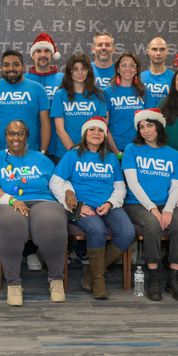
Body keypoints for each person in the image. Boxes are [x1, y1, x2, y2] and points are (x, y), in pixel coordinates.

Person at [0, 120, 67, 306]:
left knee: (52, 222)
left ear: (27, 136)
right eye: (11, 133)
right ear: (5, 136)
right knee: (11, 224)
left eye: (20, 133)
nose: (15, 137)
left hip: (42, 199)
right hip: (7, 202)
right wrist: (9, 199)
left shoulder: (40, 158)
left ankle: (56, 280)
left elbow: (58, 182)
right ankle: (13, 284)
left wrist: (68, 195)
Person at [49, 117, 133, 300]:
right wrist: (76, 206)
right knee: (97, 230)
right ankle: (98, 279)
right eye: (92, 129)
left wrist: (110, 203)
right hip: (81, 206)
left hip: (108, 205)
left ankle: (90, 273)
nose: (96, 133)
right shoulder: (73, 154)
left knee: (127, 232)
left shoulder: (111, 158)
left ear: (105, 135)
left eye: (100, 130)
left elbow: (120, 187)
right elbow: (55, 183)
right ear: (85, 134)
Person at [121, 108, 178, 302]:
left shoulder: (173, 154)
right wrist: (152, 208)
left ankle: (173, 279)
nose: (146, 130)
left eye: (150, 125)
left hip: (165, 203)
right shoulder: (131, 149)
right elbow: (133, 184)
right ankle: (154, 277)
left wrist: (167, 210)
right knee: (152, 224)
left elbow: (176, 187)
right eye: (141, 127)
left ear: (159, 126)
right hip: (137, 204)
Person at [0, 50, 50, 160]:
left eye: (16, 64)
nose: (11, 68)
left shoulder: (37, 89)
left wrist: (43, 152)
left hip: (30, 154)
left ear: (23, 67)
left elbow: (45, 122)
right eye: (6, 65)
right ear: (1, 67)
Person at [51, 54, 106, 159]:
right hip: (65, 154)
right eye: (75, 69)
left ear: (88, 72)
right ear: (69, 72)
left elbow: (101, 127)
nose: (80, 73)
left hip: (92, 153)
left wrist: (89, 152)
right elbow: (60, 130)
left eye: (83, 69)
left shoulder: (99, 95)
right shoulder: (60, 95)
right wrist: (75, 153)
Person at [103, 52, 154, 155]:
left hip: (139, 149)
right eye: (123, 65)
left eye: (132, 65)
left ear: (136, 70)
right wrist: (117, 153)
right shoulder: (108, 92)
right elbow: (104, 125)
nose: (128, 69)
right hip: (113, 149)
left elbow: (152, 123)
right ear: (117, 69)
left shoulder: (144, 92)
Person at [25, 33, 64, 157]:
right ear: (32, 55)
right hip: (28, 145)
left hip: (59, 145)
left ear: (52, 55)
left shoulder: (64, 79)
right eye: (38, 51)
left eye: (47, 51)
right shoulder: (23, 80)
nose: (43, 55)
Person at [140, 37, 173, 104]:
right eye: (154, 49)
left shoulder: (175, 78)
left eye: (162, 49)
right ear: (148, 52)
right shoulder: (139, 78)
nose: (158, 53)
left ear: (167, 52)